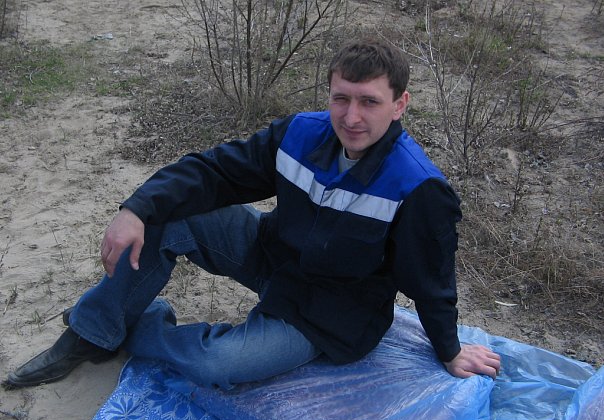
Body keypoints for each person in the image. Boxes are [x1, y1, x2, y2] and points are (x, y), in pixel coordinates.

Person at [4, 38, 500, 391]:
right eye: (341, 99)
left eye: (369, 102)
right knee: (165, 212)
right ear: (329, 94)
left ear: (400, 104)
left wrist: (449, 348)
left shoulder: (419, 187)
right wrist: (136, 208)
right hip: (271, 256)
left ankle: (135, 325)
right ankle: (91, 333)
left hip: (328, 314)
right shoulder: (301, 133)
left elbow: (432, 279)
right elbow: (216, 171)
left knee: (216, 364)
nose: (351, 117)